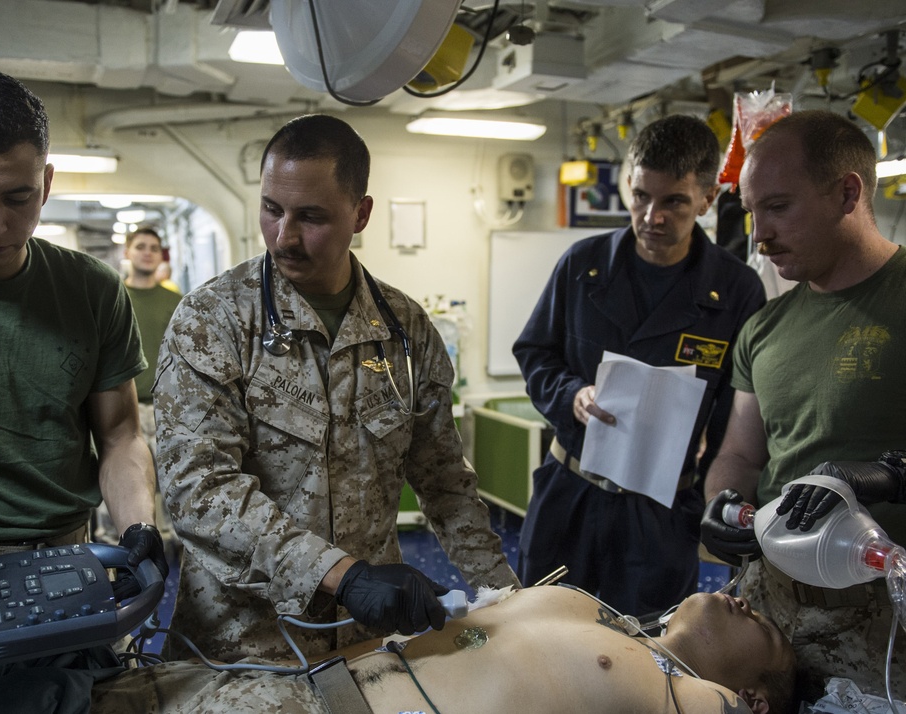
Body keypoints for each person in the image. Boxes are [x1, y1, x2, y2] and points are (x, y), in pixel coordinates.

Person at [152, 114, 519, 663]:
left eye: (312, 217)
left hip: (366, 639)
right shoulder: (213, 321)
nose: (285, 236)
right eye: (272, 209)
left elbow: (443, 480)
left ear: (361, 214)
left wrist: (502, 597)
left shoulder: (404, 328)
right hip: (245, 644)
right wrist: (342, 577)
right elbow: (198, 490)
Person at [0, 67, 166, 612]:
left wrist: (139, 526)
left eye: (18, 198)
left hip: (71, 556)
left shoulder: (93, 290)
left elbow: (119, 436)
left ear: (46, 184)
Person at [513, 114, 767, 615]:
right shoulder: (582, 265)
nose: (652, 216)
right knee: (543, 637)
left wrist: (718, 503)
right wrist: (572, 394)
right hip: (571, 495)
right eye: (640, 197)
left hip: (660, 512)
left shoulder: (736, 291)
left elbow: (734, 422)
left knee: (648, 653)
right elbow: (535, 353)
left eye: (673, 201)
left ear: (707, 201)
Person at [700, 109, 906, 699]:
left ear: (847, 193)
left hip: (886, 618)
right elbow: (740, 453)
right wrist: (722, 503)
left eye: (779, 207)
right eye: (751, 211)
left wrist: (889, 478)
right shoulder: (763, 329)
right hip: (770, 610)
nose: (759, 234)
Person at [90, 585, 797, 714]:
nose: (745, 602)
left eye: (761, 627)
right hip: (300, 683)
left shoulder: (693, 698)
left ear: (756, 698)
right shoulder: (593, 608)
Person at [119, 227, 182, 545]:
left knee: (172, 480)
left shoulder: (177, 302)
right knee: (130, 481)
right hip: (122, 406)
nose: (147, 252)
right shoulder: (114, 297)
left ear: (161, 255)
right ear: (128, 252)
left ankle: (173, 544)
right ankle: (125, 544)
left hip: (167, 407)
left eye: (154, 247)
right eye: (140, 246)